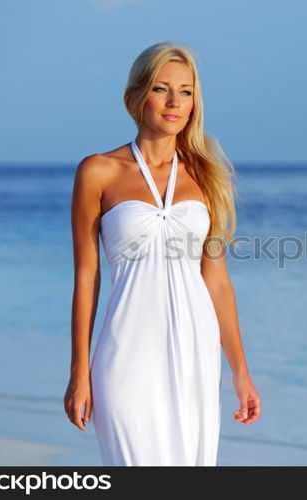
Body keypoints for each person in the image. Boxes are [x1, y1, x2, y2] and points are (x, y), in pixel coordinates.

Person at [63, 42, 261, 466]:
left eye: (186, 91)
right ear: (137, 96)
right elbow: (86, 277)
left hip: (195, 353)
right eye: (162, 88)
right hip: (126, 352)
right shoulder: (98, 171)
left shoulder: (207, 176)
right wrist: (79, 371)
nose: (175, 102)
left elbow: (218, 281)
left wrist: (241, 373)